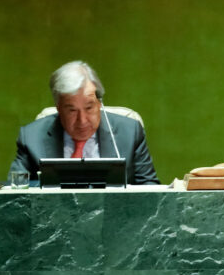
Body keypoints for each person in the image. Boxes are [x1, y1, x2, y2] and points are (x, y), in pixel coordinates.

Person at [10, 60, 159, 185]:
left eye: (89, 107)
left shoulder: (130, 132)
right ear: (58, 108)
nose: (82, 120)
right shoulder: (31, 137)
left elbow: (150, 188)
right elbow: (16, 188)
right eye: (72, 110)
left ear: (99, 103)